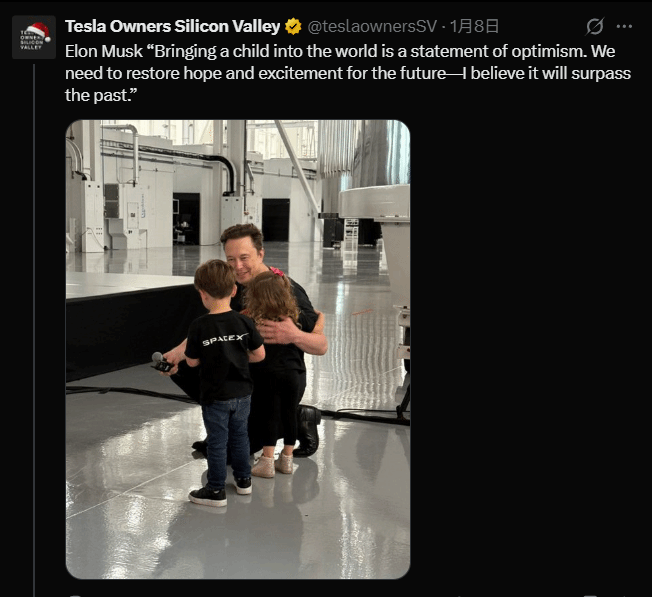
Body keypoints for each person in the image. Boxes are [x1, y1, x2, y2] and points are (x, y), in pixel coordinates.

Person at [163, 224, 327, 458]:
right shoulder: (230, 287)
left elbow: (321, 346)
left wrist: (293, 335)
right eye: (231, 259)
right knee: (184, 367)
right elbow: (214, 325)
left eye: (244, 258)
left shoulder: (283, 290)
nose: (237, 267)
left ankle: (297, 416)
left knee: (232, 454)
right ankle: (227, 419)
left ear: (260, 254)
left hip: (275, 384)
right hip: (243, 378)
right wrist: (177, 353)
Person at [184, 259, 265, 507]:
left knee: (217, 443)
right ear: (234, 290)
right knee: (240, 437)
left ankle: (216, 489)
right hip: (243, 394)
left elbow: (191, 362)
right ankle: (243, 481)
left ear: (202, 294)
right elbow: (260, 354)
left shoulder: (199, 326)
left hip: (215, 397)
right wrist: (237, 357)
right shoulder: (244, 322)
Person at [243, 268, 314, 477]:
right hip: (294, 373)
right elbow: (315, 320)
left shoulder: (255, 321)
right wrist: (321, 319)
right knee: (289, 414)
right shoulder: (294, 317)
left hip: (267, 374)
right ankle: (287, 459)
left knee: (270, 415)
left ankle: (267, 460)